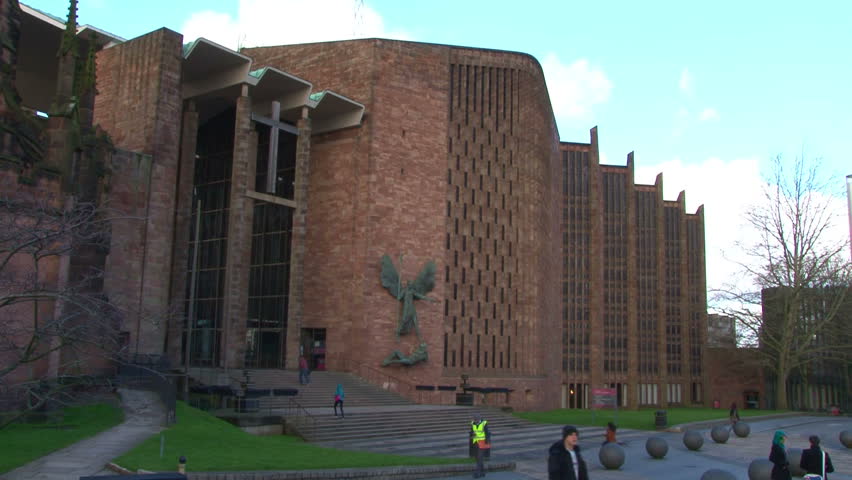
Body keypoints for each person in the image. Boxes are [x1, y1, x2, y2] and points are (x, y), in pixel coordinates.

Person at [469, 412, 491, 478]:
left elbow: (487, 433)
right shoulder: (473, 423)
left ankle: (477, 473)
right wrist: (472, 435)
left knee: (480, 457)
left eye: (477, 419)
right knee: (477, 457)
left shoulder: (484, 423)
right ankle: (482, 472)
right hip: (475, 442)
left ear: (479, 418)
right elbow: (472, 431)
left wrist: (487, 442)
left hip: (482, 441)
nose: (475, 421)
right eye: (475, 419)